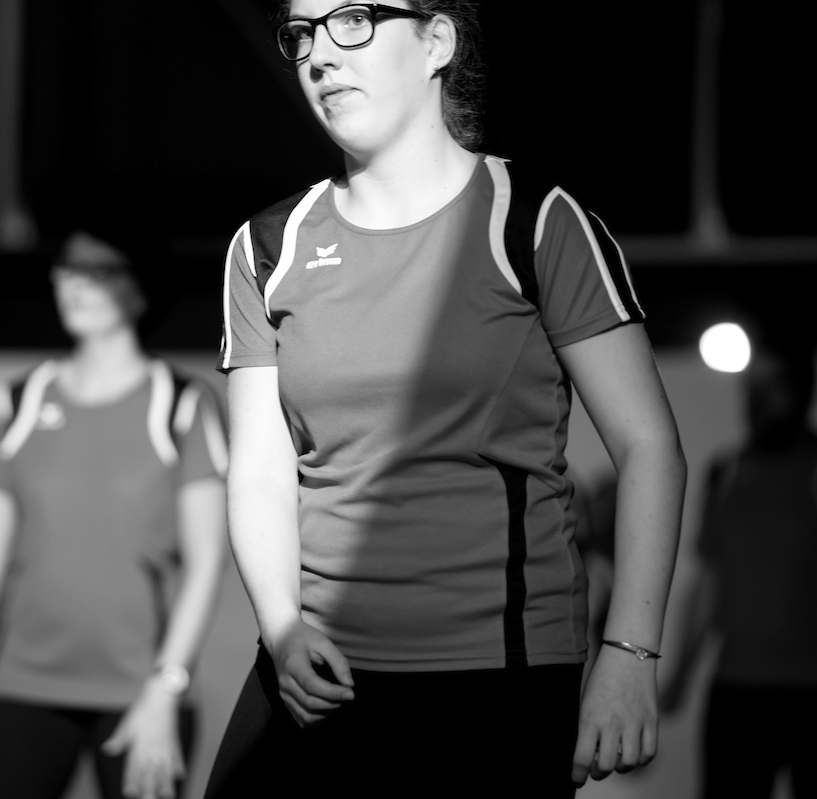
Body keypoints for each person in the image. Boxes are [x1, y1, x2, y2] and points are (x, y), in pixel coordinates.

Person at [203, 2, 687, 797]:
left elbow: (649, 448)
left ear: (437, 41)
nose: (319, 54)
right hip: (316, 673)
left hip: (497, 680)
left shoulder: (535, 219)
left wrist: (630, 654)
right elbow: (259, 471)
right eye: (302, 33)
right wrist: (282, 628)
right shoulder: (266, 245)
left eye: (351, 19)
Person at [0, 232, 230, 799]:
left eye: (100, 270)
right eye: (68, 268)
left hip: (143, 693)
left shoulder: (182, 403)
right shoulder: (18, 400)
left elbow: (207, 561)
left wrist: (166, 689)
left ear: (141, 291)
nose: (75, 283)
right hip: (24, 685)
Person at [661, 332, 817, 799]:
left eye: (773, 384)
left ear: (803, 389)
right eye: (751, 386)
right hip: (737, 694)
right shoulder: (726, 473)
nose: (757, 399)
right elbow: (709, 584)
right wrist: (680, 673)